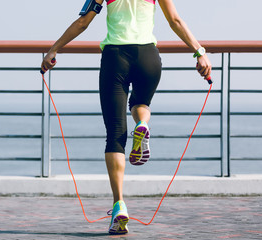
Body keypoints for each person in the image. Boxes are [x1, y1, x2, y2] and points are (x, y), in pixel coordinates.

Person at [41, 0, 212, 235]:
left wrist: (54, 49)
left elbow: (83, 23)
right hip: (149, 57)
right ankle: (142, 124)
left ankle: (119, 204)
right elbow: (175, 21)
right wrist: (199, 52)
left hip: (116, 57)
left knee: (115, 133)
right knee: (141, 103)